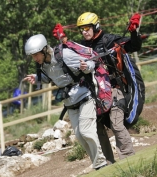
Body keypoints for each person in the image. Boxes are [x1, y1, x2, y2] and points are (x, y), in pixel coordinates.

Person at [52, 12, 142, 162]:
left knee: (117, 124)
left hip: (114, 90)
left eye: (87, 28)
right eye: (81, 29)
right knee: (97, 130)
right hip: (93, 94)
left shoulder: (110, 40)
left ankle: (129, 159)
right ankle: (108, 164)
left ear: (96, 26)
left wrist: (134, 32)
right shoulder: (81, 47)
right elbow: (65, 55)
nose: (84, 32)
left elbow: (134, 45)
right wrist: (63, 40)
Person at [23, 34, 107, 170]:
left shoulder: (65, 55)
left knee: (86, 131)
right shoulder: (43, 65)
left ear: (44, 50)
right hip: (70, 103)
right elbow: (51, 77)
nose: (35, 59)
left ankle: (101, 163)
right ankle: (97, 165)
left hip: (85, 96)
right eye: (32, 56)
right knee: (80, 136)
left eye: (36, 55)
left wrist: (86, 67)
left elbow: (92, 62)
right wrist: (36, 78)